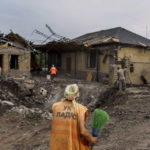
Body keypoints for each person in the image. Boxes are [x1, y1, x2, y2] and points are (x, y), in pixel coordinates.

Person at [50, 84, 97, 150]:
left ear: (65, 93)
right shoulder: (81, 109)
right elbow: (83, 131)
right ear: (77, 95)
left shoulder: (55, 106)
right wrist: (91, 139)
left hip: (56, 146)